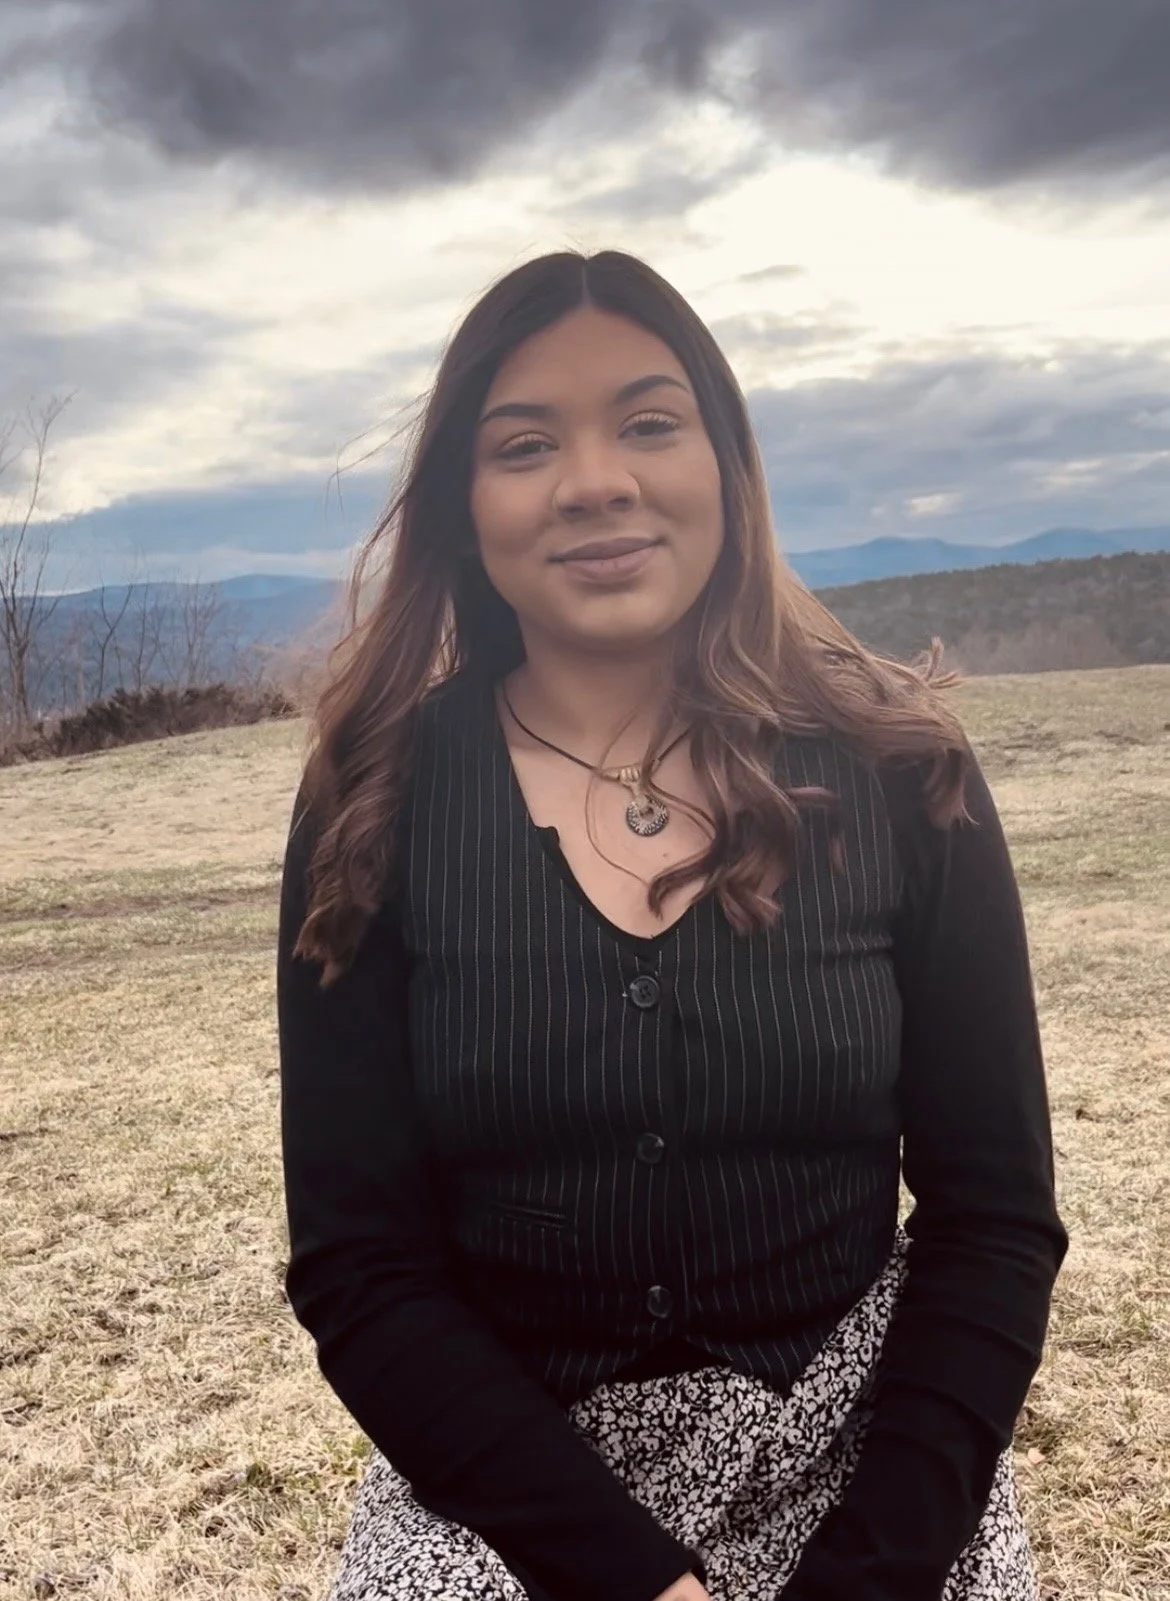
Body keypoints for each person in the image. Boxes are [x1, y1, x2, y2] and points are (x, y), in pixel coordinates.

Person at [276, 248, 1069, 1601]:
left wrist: (871, 1575)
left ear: (727, 467)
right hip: (508, 1490)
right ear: (466, 507)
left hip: (865, 1474)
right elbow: (360, 1263)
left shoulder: (898, 770)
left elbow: (993, 1217)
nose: (594, 480)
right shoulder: (374, 796)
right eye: (523, 443)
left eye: (649, 422)